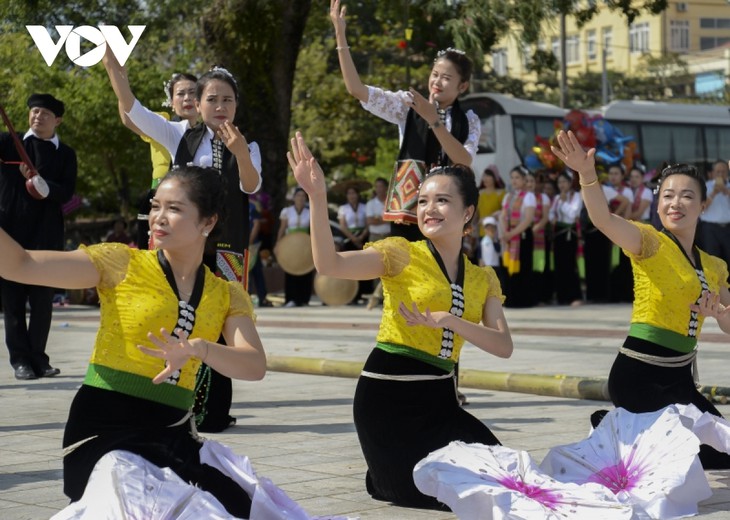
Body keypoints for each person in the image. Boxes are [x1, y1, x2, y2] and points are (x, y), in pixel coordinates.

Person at [0, 166, 269, 516]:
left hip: (173, 435)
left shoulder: (225, 293)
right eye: (156, 206)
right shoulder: (120, 263)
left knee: (238, 508)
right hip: (104, 432)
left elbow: (253, 365)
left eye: (174, 208)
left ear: (207, 221)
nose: (159, 217)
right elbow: (20, 264)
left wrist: (199, 348)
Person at [288, 132, 513, 509]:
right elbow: (330, 264)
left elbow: (503, 346)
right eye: (423, 200)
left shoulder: (482, 278)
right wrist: (317, 196)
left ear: (468, 213)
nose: (429, 209)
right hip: (387, 399)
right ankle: (386, 473)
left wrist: (451, 321)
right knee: (452, 495)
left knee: (506, 479)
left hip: (441, 403)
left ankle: (386, 475)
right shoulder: (400, 254)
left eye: (442, 200)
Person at [103, 48, 262, 433]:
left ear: (236, 105)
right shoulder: (177, 134)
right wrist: (114, 70)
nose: (220, 106)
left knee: (220, 321)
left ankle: (213, 411)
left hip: (226, 247)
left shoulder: (249, 143)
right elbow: (134, 111)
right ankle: (165, 402)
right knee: (173, 313)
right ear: (198, 103)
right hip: (181, 247)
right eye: (212, 99)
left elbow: (251, 186)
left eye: (228, 100)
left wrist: (240, 152)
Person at [552, 130, 730, 469]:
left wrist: (721, 315)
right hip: (638, 375)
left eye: (687, 196)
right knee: (679, 460)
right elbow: (603, 220)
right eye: (668, 196)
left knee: (720, 453)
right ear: (658, 203)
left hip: (679, 380)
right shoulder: (649, 242)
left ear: (703, 205)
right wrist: (587, 174)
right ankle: (616, 430)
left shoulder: (714, 265)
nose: (675, 203)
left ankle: (624, 431)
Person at [330, 0, 480, 241]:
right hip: (411, 207)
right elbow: (357, 89)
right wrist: (340, 35)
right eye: (435, 74)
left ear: (462, 86)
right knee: (406, 261)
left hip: (449, 208)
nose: (437, 82)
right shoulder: (407, 104)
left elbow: (463, 160)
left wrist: (434, 121)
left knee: (443, 264)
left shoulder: (468, 120)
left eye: (446, 78)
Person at [0, 93, 77, 380]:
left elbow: (66, 192)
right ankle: (20, 360)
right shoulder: (9, 143)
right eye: (34, 111)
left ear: (57, 120)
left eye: (45, 113)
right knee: (13, 302)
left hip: (46, 237)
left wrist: (45, 187)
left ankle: (39, 359)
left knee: (43, 302)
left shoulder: (65, 154)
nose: (38, 116)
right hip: (11, 234)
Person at [121, 72, 198, 249]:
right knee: (155, 256)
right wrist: (120, 78)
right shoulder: (162, 123)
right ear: (171, 101)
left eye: (193, 92)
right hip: (160, 195)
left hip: (195, 199)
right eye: (180, 93)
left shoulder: (210, 133)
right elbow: (128, 118)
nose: (187, 98)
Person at [500, 166, 536, 308]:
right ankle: (510, 299)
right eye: (512, 177)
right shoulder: (508, 196)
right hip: (509, 236)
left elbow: (528, 219)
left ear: (524, 180)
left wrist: (512, 233)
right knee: (507, 266)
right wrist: (505, 231)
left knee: (523, 267)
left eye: (517, 178)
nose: (514, 180)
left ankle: (523, 300)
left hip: (523, 235)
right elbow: (503, 216)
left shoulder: (529, 196)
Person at [549, 171, 583, 306]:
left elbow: (573, 213)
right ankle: (561, 296)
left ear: (570, 183)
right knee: (559, 264)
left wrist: (563, 203)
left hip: (570, 232)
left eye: (564, 182)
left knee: (570, 263)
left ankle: (574, 295)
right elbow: (551, 213)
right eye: (559, 182)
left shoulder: (576, 196)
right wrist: (553, 218)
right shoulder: (557, 197)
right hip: (559, 232)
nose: (561, 185)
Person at [277, 187, 314, 307]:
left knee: (306, 269)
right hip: (290, 245)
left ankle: (304, 299)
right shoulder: (287, 211)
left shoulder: (309, 212)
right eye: (298, 195)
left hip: (305, 245)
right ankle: (291, 298)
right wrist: (278, 243)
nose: (301, 198)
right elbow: (282, 228)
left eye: (303, 196)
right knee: (291, 270)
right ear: (294, 198)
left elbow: (313, 230)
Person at [606, 164, 634, 303]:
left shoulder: (627, 191)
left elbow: (628, 212)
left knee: (624, 263)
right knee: (610, 263)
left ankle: (626, 295)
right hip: (608, 231)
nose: (613, 176)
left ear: (622, 176)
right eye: (611, 173)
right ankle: (612, 295)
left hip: (622, 230)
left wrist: (620, 226)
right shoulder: (606, 190)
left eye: (616, 173)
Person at [698, 159, 730, 277]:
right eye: (718, 172)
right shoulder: (705, 187)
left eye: (723, 171)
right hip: (710, 229)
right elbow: (701, 208)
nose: (720, 174)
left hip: (728, 228)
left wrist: (727, 192)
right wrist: (713, 193)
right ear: (712, 173)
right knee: (712, 258)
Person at [339, 186, 370, 304]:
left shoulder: (364, 207)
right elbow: (343, 226)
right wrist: (353, 238)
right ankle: (350, 295)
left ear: (358, 194)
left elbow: (368, 224)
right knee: (350, 267)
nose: (352, 196)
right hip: (349, 238)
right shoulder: (343, 208)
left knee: (363, 266)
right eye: (349, 193)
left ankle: (363, 293)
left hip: (363, 237)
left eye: (353, 193)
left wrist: (361, 237)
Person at [365, 177, 391, 309]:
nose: (379, 189)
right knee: (375, 266)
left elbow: (392, 219)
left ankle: (384, 296)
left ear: (386, 188)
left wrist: (379, 219)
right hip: (375, 236)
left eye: (381, 186)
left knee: (388, 266)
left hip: (388, 236)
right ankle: (377, 297)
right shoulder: (371, 203)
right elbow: (370, 221)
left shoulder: (390, 202)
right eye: (377, 186)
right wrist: (385, 219)